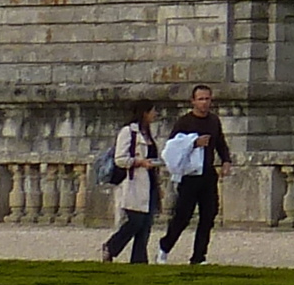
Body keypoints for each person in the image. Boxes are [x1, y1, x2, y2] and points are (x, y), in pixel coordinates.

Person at [158, 84, 235, 263]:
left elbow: (220, 143)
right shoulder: (185, 122)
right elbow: (172, 148)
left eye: (207, 99)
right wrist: (193, 143)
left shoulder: (214, 121)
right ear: (193, 101)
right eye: (201, 99)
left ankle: (199, 256)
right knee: (182, 216)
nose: (204, 103)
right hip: (190, 176)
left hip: (208, 174)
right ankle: (165, 246)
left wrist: (226, 161)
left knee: (208, 216)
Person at [99, 103, 161, 263]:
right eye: (153, 111)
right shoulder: (128, 132)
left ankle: (139, 260)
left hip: (149, 183)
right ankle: (112, 246)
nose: (155, 114)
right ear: (145, 113)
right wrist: (139, 162)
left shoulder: (147, 133)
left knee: (146, 224)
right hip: (133, 183)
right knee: (135, 222)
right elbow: (120, 159)